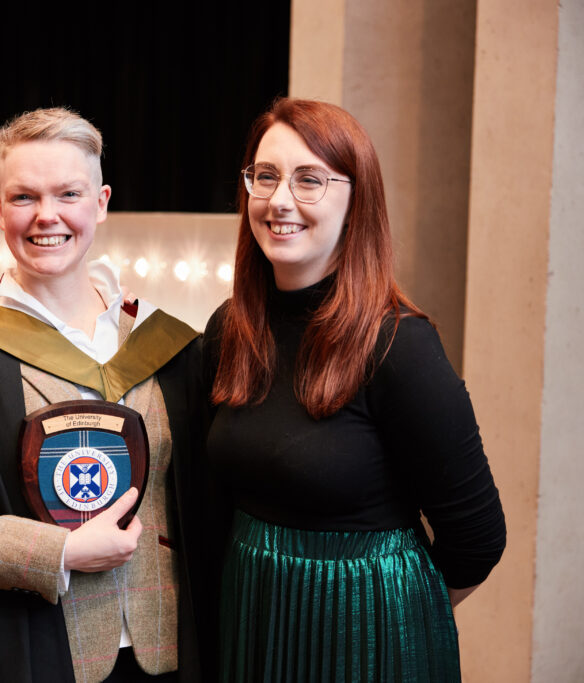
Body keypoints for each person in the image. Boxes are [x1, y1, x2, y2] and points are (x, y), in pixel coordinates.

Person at [0, 108, 204, 683]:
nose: (46, 216)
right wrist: (60, 554)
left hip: (165, 649)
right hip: (31, 651)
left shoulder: (166, 343)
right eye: (24, 197)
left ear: (101, 202)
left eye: (68, 193)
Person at [202, 98, 506, 681]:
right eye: (265, 177)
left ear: (356, 200)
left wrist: (391, 618)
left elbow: (478, 539)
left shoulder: (399, 344)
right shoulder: (231, 329)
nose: (280, 200)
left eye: (310, 180)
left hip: (367, 638)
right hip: (252, 623)